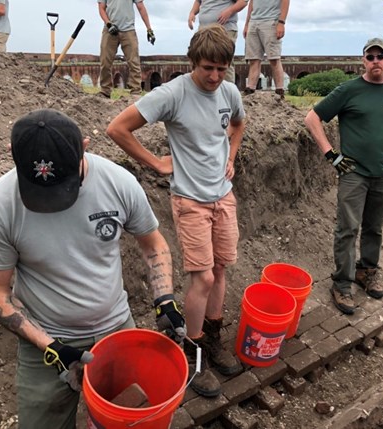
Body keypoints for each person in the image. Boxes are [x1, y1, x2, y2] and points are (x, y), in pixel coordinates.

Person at [0, 109, 186, 429]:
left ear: (85, 146)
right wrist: (51, 347)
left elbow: (153, 244)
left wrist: (165, 298)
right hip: (46, 340)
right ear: (12, 155)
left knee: (127, 418)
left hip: (116, 327)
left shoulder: (118, 182)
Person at [106, 24, 246, 398]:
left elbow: (238, 123)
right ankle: (194, 355)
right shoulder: (172, 94)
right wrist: (155, 163)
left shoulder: (229, 91)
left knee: (220, 270)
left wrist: (231, 156)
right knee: (201, 279)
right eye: (207, 69)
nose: (215, 77)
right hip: (190, 201)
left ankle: (212, 339)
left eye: (221, 69)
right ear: (193, 63)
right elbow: (118, 128)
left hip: (223, 197)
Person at [304, 37, 383, 315]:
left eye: (379, 56)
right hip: (353, 174)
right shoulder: (349, 90)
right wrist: (331, 155)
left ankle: (367, 271)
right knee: (347, 229)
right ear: (363, 61)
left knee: (375, 227)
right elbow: (312, 118)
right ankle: (342, 284)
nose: (375, 61)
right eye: (370, 57)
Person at [98, 0, 156, 98]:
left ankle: (135, 92)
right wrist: (108, 24)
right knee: (105, 61)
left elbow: (141, 7)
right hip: (109, 30)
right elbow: (101, 8)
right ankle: (105, 91)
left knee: (134, 62)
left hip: (128, 30)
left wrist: (149, 29)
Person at [187, 0, 249, 84]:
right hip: (204, 29)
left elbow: (243, 2)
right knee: (200, 59)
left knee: (224, 60)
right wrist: (192, 13)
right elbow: (198, 1)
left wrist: (229, 11)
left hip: (225, 29)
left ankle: (228, 92)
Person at [242, 0, 289, 97]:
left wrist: (281, 22)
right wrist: (247, 24)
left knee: (274, 58)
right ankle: (250, 89)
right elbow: (252, 3)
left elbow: (286, 1)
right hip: (254, 22)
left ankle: (279, 90)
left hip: (271, 21)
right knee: (253, 59)